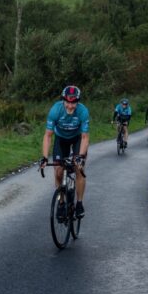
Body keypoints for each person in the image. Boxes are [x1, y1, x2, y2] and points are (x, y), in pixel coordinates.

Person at [40, 85, 90, 219]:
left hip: (77, 139)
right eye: (67, 102)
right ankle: (61, 203)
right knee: (58, 171)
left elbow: (85, 137)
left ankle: (79, 203)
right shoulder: (55, 110)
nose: (70, 106)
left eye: (73, 103)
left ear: (77, 102)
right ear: (63, 101)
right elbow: (48, 136)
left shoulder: (83, 111)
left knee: (79, 169)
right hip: (61, 139)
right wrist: (44, 157)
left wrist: (80, 156)